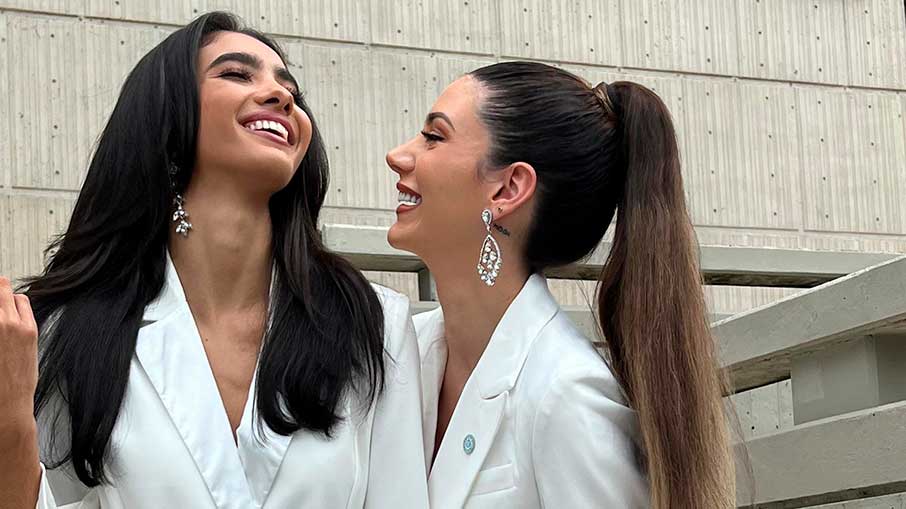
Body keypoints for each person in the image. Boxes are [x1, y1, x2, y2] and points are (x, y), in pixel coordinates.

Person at [0, 11, 427, 509]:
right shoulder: (66, 334)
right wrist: (11, 424)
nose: (280, 95)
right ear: (167, 117)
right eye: (236, 73)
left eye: (288, 86)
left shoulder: (373, 321)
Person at [386, 61, 735, 508]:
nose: (398, 155)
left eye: (434, 137)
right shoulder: (399, 355)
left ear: (509, 188)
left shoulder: (566, 399)